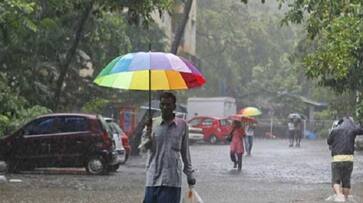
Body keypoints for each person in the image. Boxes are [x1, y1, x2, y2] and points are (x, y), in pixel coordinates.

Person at [141, 92, 196, 203]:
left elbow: (185, 152)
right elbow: (143, 149)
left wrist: (190, 174)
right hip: (153, 179)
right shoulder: (152, 124)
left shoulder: (182, 125)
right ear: (160, 106)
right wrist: (148, 133)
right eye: (163, 104)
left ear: (174, 106)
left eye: (168, 104)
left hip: (172, 181)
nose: (165, 107)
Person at [327, 116, 363, 202]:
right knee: (346, 182)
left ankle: (339, 195)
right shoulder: (353, 129)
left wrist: (333, 130)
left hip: (337, 159)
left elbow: (329, 142)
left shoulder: (335, 130)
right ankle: (346, 199)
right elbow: (361, 131)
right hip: (349, 159)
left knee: (336, 180)